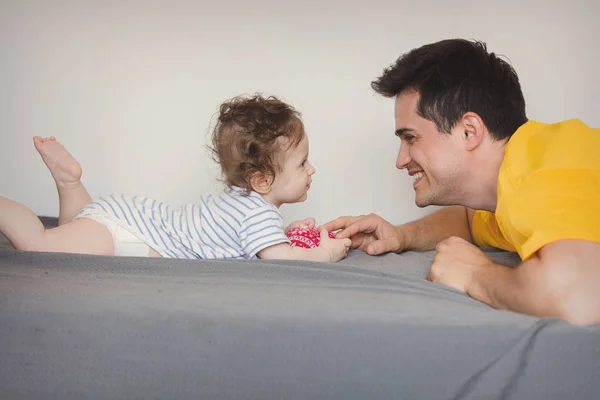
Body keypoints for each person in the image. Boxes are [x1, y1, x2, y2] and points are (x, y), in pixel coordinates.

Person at [321, 39, 600, 325]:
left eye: (410, 138)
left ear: (469, 132)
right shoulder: (516, 186)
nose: (401, 160)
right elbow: (469, 222)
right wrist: (401, 236)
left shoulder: (551, 162)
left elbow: (576, 296)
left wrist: (475, 274)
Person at [1, 94, 351, 262]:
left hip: (125, 218)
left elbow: (264, 244)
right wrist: (326, 252)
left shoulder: (246, 206)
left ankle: (70, 184)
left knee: (73, 229)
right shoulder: (256, 213)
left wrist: (288, 235)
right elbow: (281, 261)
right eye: (303, 163)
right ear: (261, 181)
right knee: (40, 246)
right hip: (128, 235)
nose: (311, 170)